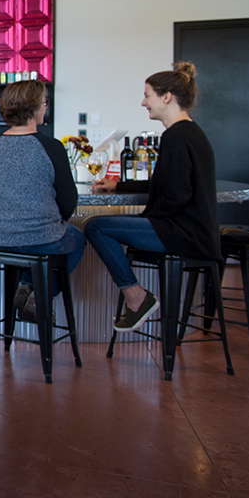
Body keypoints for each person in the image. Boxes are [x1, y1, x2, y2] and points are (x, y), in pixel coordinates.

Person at [86, 62, 220, 332]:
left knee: (95, 227)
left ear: (166, 96)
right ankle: (137, 298)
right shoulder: (189, 133)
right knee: (103, 226)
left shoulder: (176, 137)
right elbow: (166, 183)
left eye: (147, 95)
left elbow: (178, 194)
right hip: (195, 232)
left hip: (183, 234)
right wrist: (118, 186)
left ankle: (137, 298)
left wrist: (147, 219)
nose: (143, 102)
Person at [0, 80, 86, 321]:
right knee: (78, 238)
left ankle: (26, 286)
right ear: (36, 108)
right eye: (44, 103)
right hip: (42, 239)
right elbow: (68, 200)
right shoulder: (51, 147)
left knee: (35, 245)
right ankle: (42, 294)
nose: (45, 107)